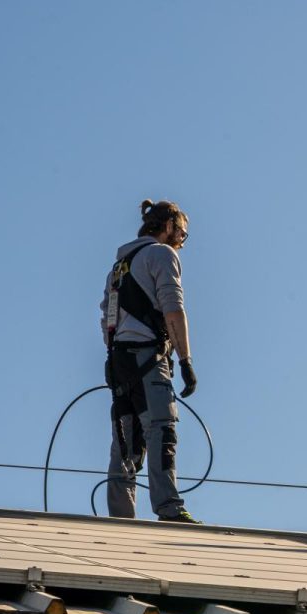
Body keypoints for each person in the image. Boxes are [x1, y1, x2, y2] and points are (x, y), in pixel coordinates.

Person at [100, 199, 201, 523]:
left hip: (119, 362)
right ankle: (169, 509)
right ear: (167, 226)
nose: (182, 242)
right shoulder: (161, 254)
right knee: (161, 429)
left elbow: (107, 317)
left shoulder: (119, 266)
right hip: (147, 356)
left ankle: (120, 519)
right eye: (182, 234)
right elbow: (173, 308)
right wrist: (185, 360)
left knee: (125, 441)